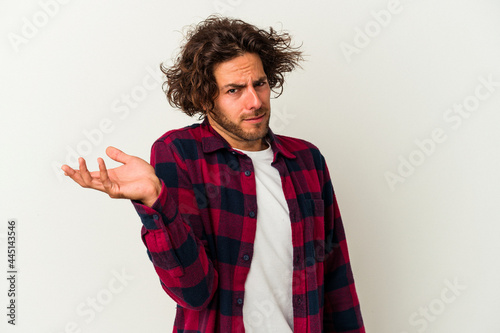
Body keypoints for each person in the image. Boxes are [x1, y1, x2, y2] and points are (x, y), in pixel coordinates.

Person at [62, 16, 365, 333]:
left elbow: (336, 279)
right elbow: (193, 292)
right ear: (206, 97)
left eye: (259, 84)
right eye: (234, 90)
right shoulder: (180, 154)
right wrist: (156, 202)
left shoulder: (306, 160)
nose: (255, 101)